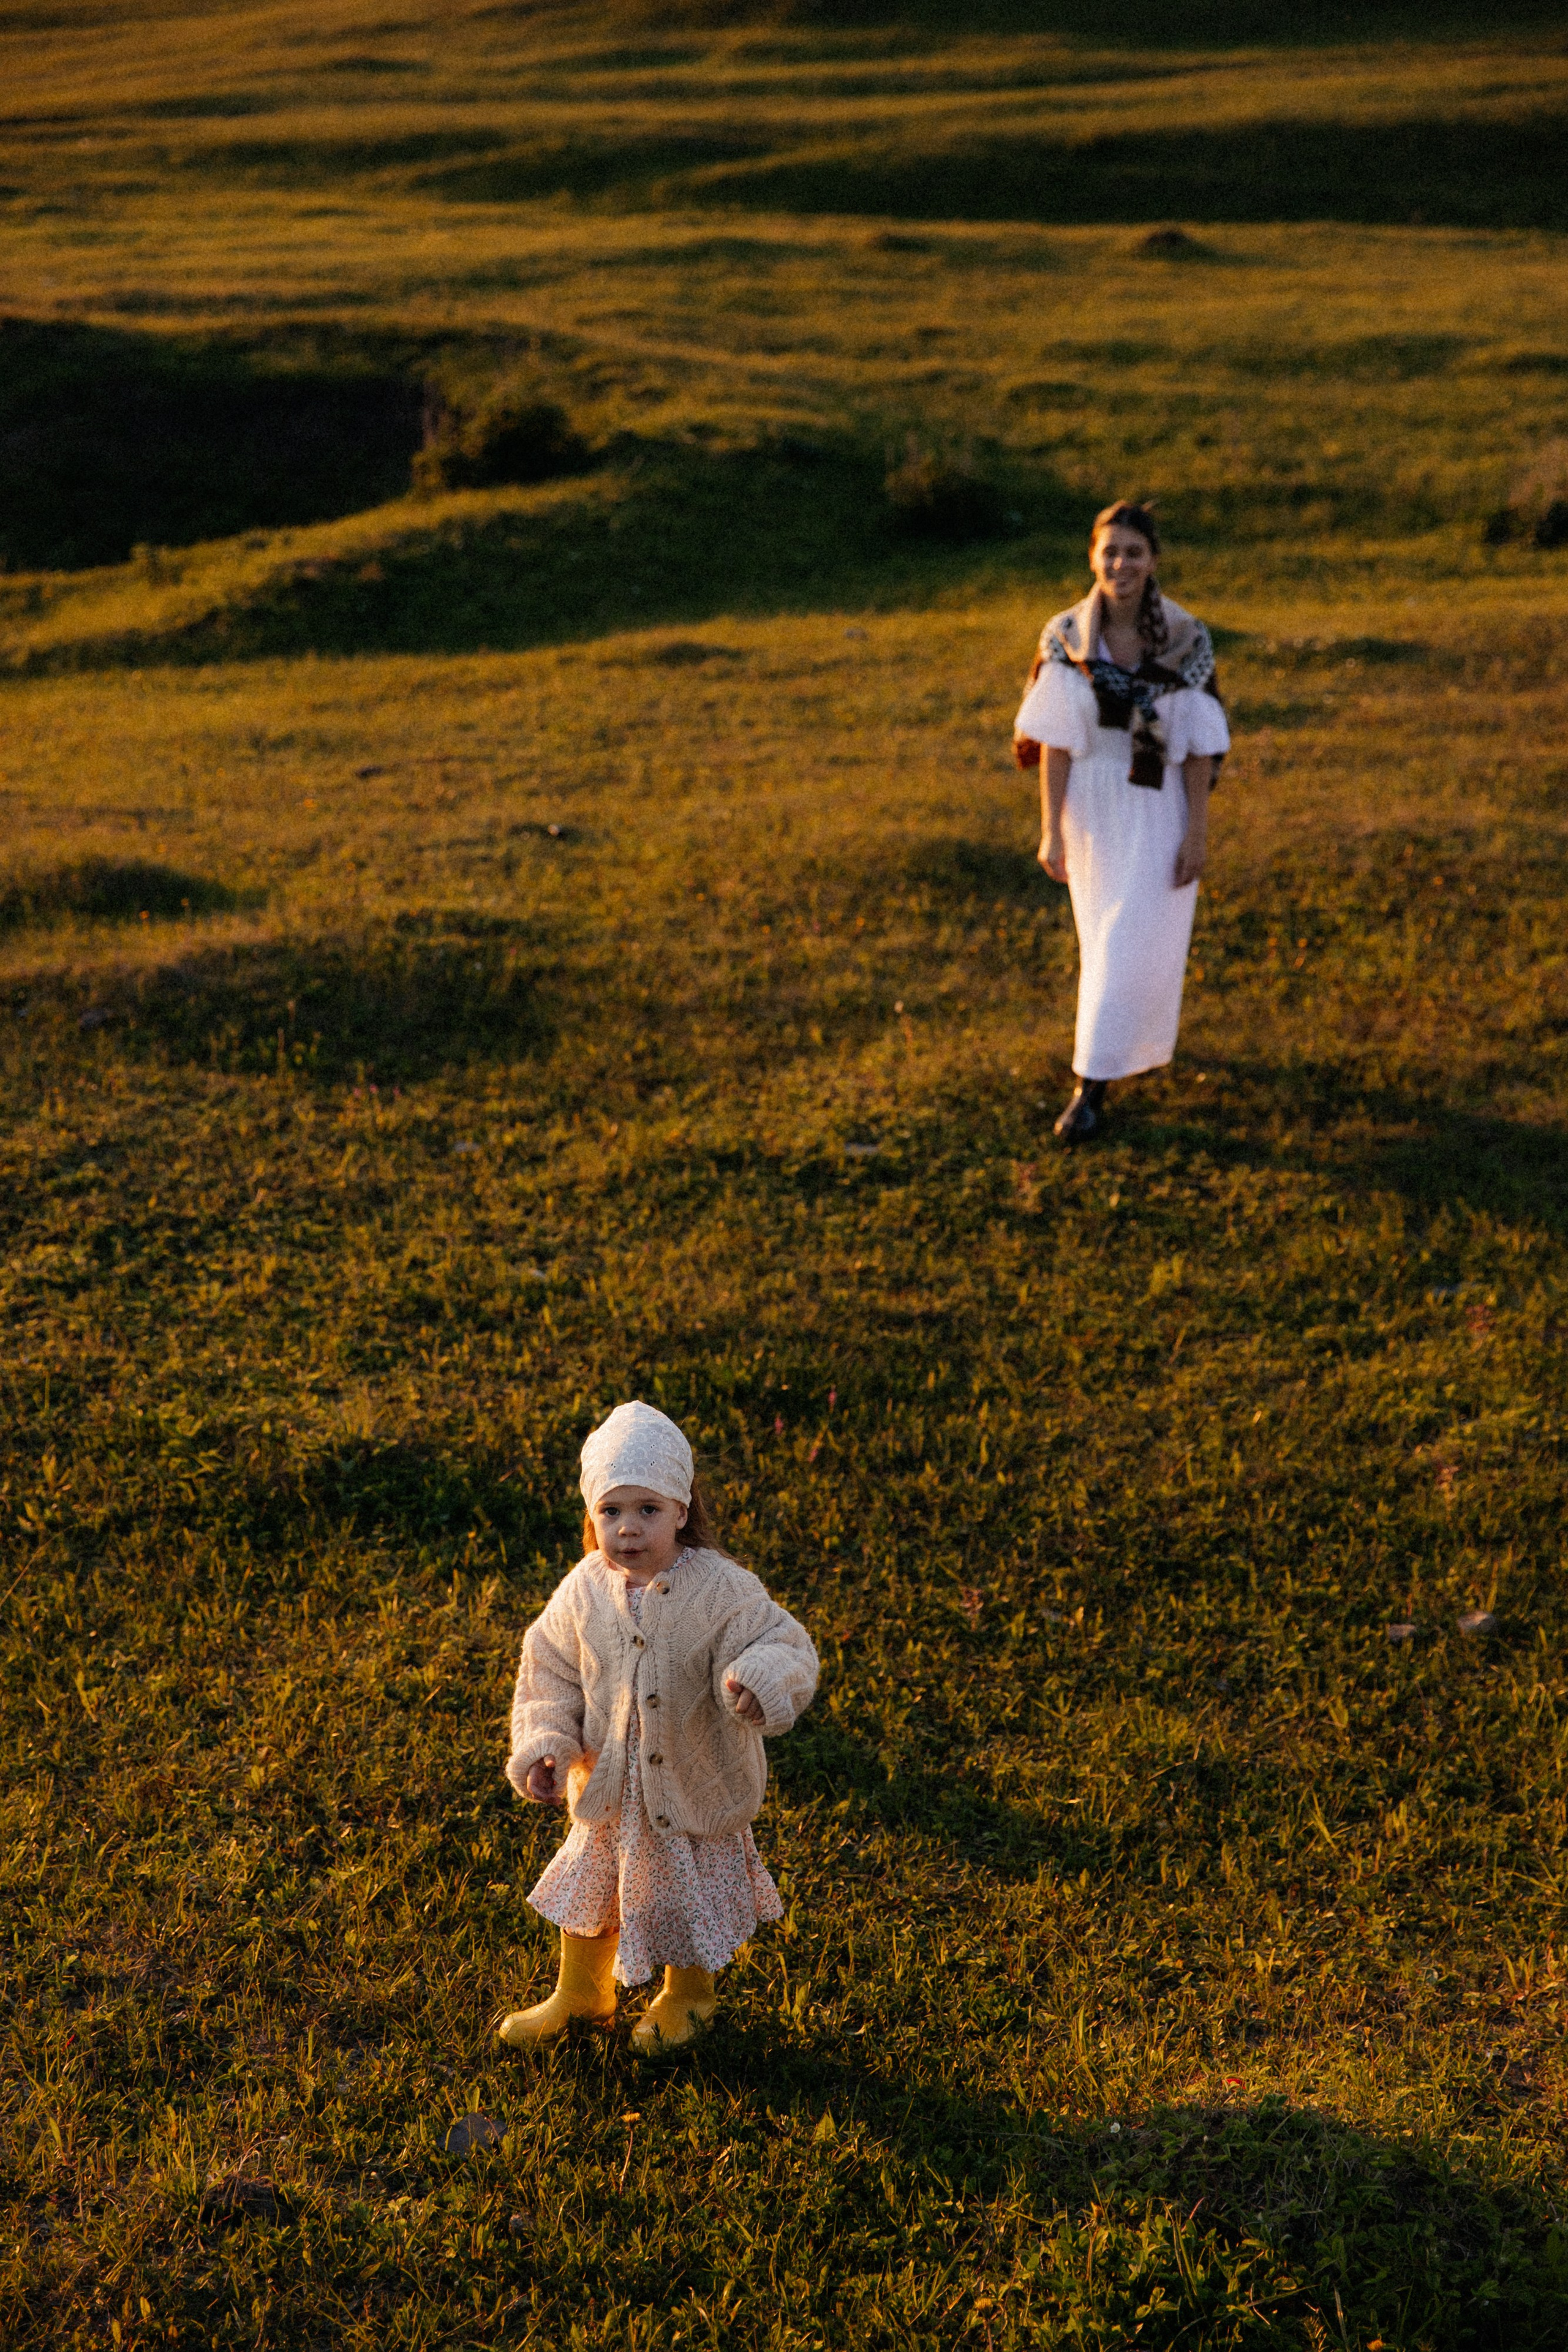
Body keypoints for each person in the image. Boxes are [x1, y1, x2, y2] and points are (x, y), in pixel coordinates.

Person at [499, 1400, 818, 2055]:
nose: (629, 1529)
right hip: (610, 1789)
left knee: (682, 1893)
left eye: (648, 1509)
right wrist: (546, 1743)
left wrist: (759, 1678)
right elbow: (549, 1670)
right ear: (592, 1516)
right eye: (611, 1511)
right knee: (590, 1889)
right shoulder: (584, 1589)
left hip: (691, 1784)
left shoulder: (721, 1589)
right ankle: (583, 1993)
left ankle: (688, 1995)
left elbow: (782, 1643)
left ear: (681, 1508)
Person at [1012, 500, 1230, 1140]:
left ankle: (1090, 1090)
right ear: (1092, 558)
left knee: (1135, 941)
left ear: (1153, 560)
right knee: (1105, 943)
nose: (1121, 563)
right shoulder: (1066, 637)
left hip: (1158, 803)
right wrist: (1051, 827)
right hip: (1091, 804)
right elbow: (1055, 740)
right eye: (1110, 551)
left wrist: (1196, 831)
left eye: (1133, 551)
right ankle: (1112, 1060)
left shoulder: (1186, 639)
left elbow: (1195, 744)